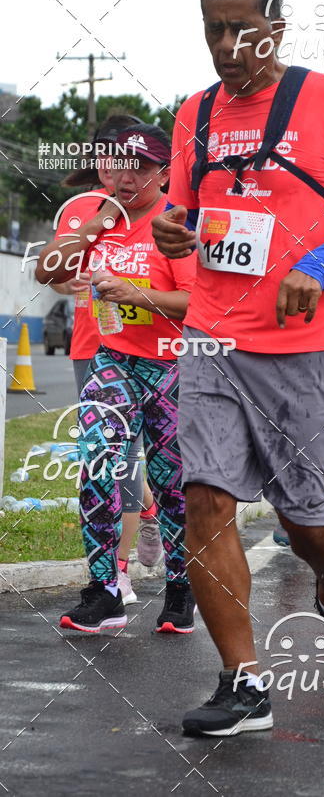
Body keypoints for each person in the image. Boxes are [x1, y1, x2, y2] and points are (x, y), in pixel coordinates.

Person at [152, 0, 324, 737]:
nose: (228, 47)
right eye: (214, 32)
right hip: (211, 336)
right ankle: (245, 684)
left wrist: (318, 265)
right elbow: (183, 206)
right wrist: (171, 223)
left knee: (307, 523)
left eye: (244, 29)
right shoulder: (194, 115)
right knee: (204, 500)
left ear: (279, 27)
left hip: (302, 347)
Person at [36, 122, 197, 634]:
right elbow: (46, 271)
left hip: (171, 362)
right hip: (113, 358)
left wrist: (136, 294)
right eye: (118, 164)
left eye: (142, 167)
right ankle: (105, 590)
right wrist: (95, 225)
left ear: (164, 171)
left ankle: (180, 586)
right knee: (98, 462)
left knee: (171, 481)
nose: (127, 177)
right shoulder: (92, 210)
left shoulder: (178, 219)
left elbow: (199, 303)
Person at [52, 115, 164, 602]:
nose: (116, 167)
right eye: (108, 156)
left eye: (127, 159)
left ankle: (120, 565)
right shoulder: (80, 208)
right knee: (106, 456)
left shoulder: (158, 206)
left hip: (155, 349)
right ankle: (115, 568)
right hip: (92, 344)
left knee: (134, 454)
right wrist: (69, 282)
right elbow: (54, 272)